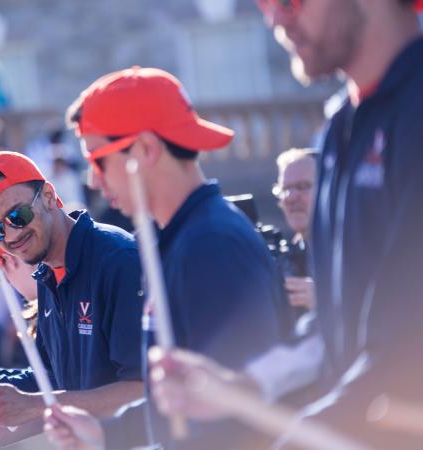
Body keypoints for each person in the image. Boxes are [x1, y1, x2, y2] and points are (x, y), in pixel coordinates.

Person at [148, 1, 423, 448]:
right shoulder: (340, 125)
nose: (275, 19)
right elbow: (333, 323)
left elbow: (408, 345)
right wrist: (242, 385)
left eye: (289, 2)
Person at [44, 67, 291, 449]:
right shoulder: (174, 239)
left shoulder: (212, 245)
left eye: (97, 160)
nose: (92, 180)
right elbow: (182, 399)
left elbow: (237, 420)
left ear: (145, 149)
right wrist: (105, 434)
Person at [0, 151, 145, 450]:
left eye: (17, 216)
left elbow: (144, 390)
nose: (10, 235)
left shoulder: (117, 260)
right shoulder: (46, 278)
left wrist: (35, 404)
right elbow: (50, 390)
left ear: (49, 196)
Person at [273, 148, 317, 310]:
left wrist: (328, 300)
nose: (291, 197)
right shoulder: (287, 257)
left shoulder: (360, 249)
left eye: (303, 186)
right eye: (285, 189)